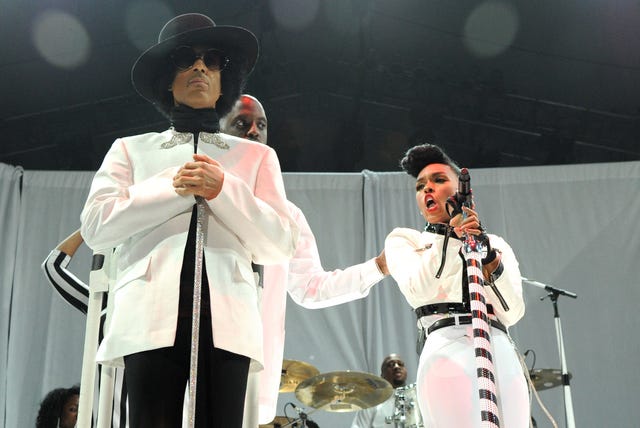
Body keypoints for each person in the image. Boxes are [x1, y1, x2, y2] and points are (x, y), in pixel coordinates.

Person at [79, 13, 298, 428]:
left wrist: (225, 189)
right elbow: (95, 226)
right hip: (147, 318)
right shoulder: (130, 150)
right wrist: (170, 188)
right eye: (185, 58)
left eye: (212, 59)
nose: (200, 67)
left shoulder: (256, 158)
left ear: (223, 79)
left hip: (228, 323)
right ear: (166, 77)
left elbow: (281, 244)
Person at [220, 94, 389, 427]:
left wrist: (378, 267)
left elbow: (311, 287)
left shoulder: (287, 215)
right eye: (242, 124)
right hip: (196, 348)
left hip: (254, 361)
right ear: (219, 132)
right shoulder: (199, 194)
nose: (254, 131)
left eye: (262, 125)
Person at [384, 143, 529, 427]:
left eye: (439, 180)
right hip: (444, 345)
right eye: (420, 186)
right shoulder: (405, 241)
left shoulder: (494, 244)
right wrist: (452, 234)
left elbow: (512, 312)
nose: (427, 189)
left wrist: (486, 255)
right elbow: (420, 289)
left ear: (463, 192)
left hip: (497, 345)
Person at [41, 230, 129, 427]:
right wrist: (91, 224)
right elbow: (53, 266)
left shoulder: (162, 303)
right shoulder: (100, 303)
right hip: (103, 419)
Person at [350, 354, 422, 428]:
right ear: (382, 375)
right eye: (391, 364)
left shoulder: (417, 398)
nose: (397, 367)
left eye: (400, 364)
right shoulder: (372, 401)